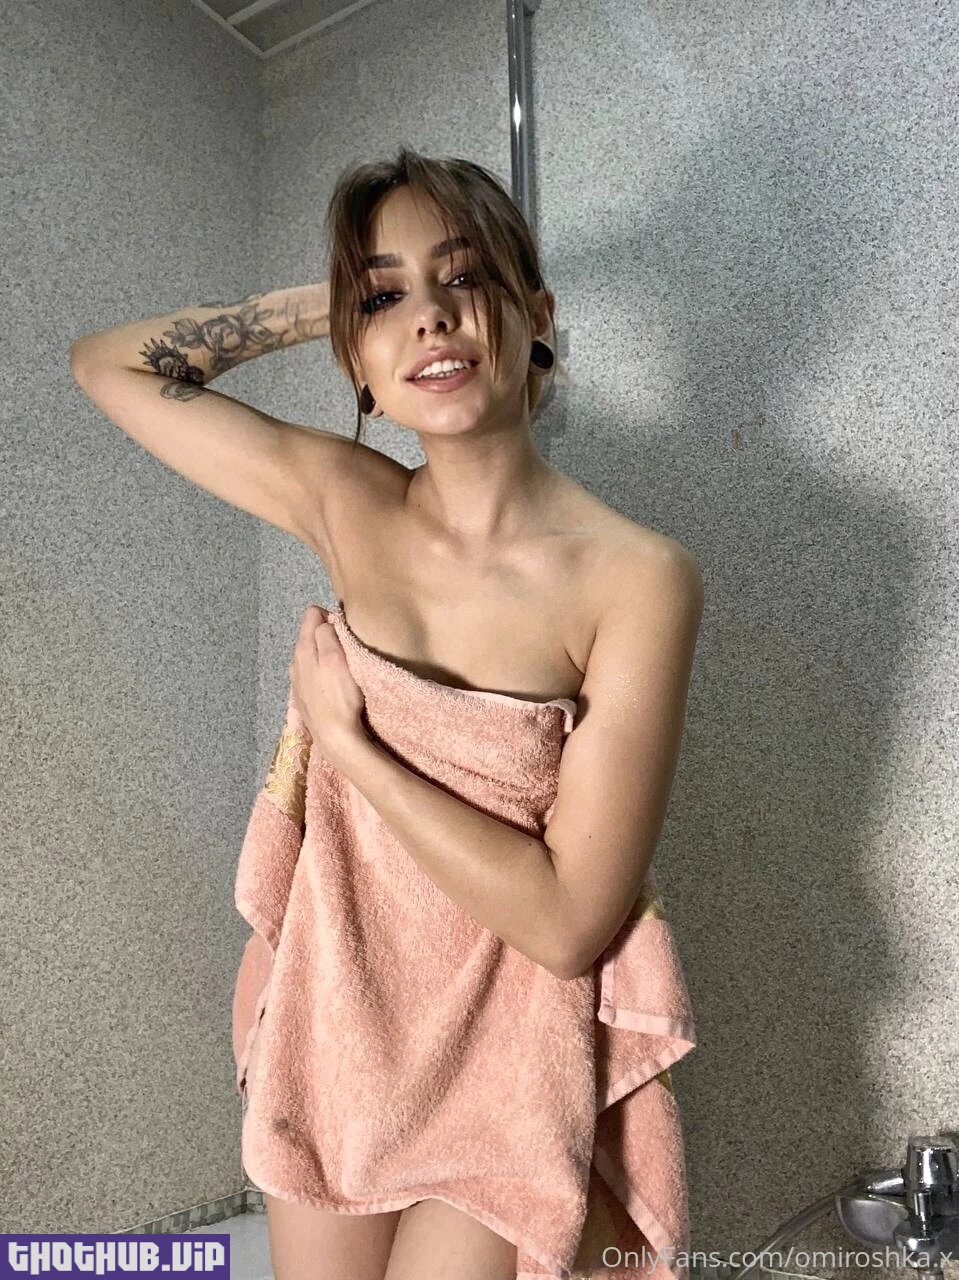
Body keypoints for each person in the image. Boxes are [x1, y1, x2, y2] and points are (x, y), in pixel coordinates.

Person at [70, 146, 703, 1280]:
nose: (430, 318)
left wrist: (352, 748)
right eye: (385, 298)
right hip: (337, 1025)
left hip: (505, 1053)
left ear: (535, 315)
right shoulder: (346, 499)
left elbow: (568, 921)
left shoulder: (635, 578)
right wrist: (334, 302)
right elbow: (107, 364)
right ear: (357, 362)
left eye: (465, 278)